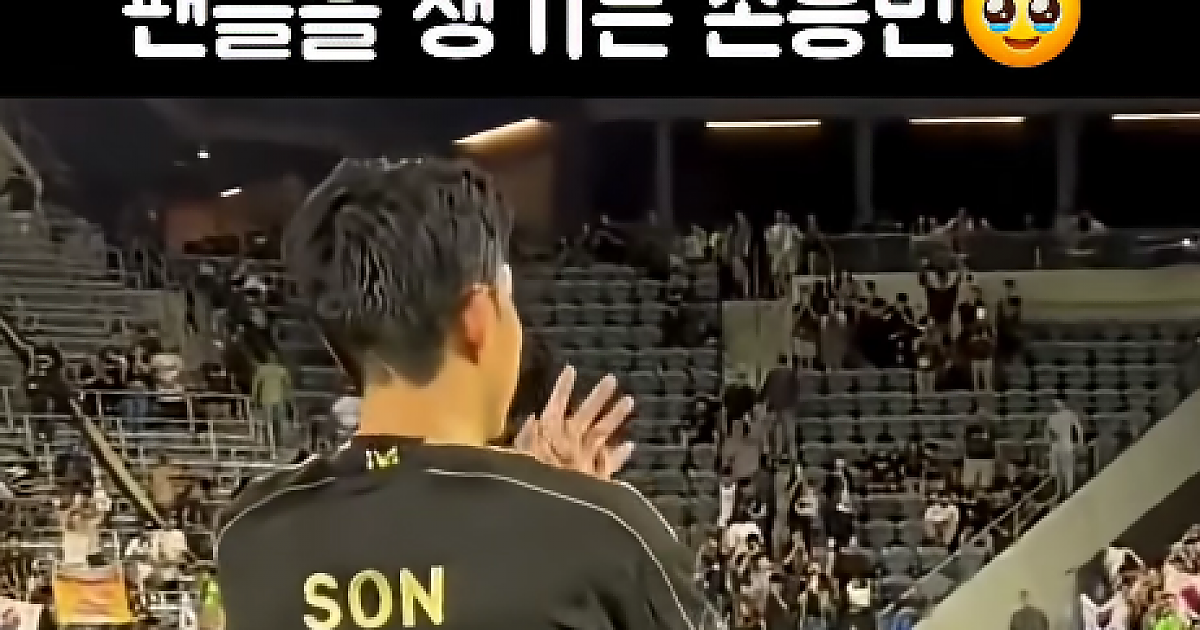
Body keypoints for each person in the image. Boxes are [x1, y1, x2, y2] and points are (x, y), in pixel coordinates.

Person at [215, 158, 715, 630]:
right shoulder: (607, 536)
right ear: (478, 318)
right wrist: (567, 513)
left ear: (339, 344)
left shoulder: (251, 536)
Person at [1047, 398, 1084, 497]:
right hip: (1059, 446)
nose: (1055, 404)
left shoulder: (1069, 414)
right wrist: (1080, 442)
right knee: (1061, 471)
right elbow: (1049, 434)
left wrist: (1080, 443)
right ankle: (1061, 493)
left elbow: (1078, 429)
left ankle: (1066, 492)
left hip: (1064, 445)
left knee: (1066, 470)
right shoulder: (1052, 417)